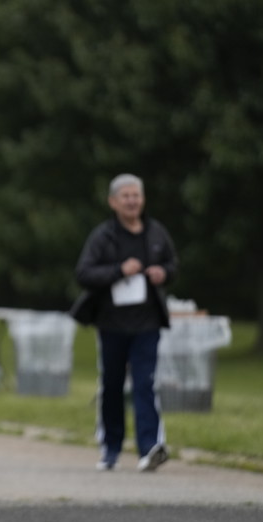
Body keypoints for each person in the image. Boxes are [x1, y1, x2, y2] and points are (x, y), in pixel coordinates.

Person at [73, 174, 178, 472]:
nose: (132, 201)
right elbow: (84, 274)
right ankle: (111, 448)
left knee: (145, 384)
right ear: (113, 202)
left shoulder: (156, 233)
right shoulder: (103, 236)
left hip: (148, 323)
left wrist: (163, 273)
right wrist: (119, 270)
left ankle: (150, 448)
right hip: (112, 324)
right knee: (112, 385)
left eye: (136, 195)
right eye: (126, 196)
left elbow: (172, 265)